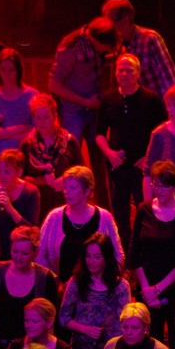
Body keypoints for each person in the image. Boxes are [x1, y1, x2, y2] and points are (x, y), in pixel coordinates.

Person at [95, 53, 168, 248]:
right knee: (119, 212)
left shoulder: (151, 99)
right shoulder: (108, 99)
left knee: (145, 209)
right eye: (121, 70)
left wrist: (148, 157)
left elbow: (163, 132)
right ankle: (123, 252)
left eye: (129, 70)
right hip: (117, 166)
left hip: (142, 167)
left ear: (138, 72)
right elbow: (99, 134)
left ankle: (144, 249)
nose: (124, 74)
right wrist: (109, 154)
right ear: (116, 73)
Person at [48, 17, 121, 208]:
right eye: (103, 48)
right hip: (74, 111)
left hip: (95, 109)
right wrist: (85, 101)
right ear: (94, 38)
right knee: (72, 160)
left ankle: (104, 209)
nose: (104, 51)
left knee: (100, 162)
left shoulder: (101, 42)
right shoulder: (70, 48)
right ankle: (72, 206)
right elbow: (53, 85)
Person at [130, 161, 175, 344]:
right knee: (147, 341)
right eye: (155, 185)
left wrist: (158, 289)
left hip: (174, 287)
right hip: (146, 285)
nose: (159, 191)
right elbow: (135, 252)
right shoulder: (144, 210)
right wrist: (147, 289)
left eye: (164, 186)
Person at [60, 234, 131, 349]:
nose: (91, 261)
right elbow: (63, 317)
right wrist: (85, 329)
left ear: (106, 257)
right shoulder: (77, 282)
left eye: (97, 257)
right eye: (88, 256)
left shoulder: (120, 287)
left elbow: (125, 322)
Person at [38, 166, 124, 281]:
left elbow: (119, 256)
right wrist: (54, 281)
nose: (66, 192)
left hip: (97, 287)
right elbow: (40, 255)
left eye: (72, 188)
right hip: (61, 286)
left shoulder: (105, 218)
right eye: (65, 188)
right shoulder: (54, 217)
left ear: (87, 191)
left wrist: (102, 282)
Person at [20, 93, 83, 220]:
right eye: (38, 118)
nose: (42, 122)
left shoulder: (70, 141)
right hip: (36, 208)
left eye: (46, 117)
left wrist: (66, 180)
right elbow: (19, 180)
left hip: (66, 206)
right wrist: (42, 180)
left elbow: (83, 173)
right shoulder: (27, 145)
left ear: (54, 116)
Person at [0, 48, 39, 183]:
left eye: (11, 70)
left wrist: (2, 135)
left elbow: (36, 131)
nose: (7, 74)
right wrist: (20, 128)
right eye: (3, 70)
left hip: (22, 161)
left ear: (19, 71)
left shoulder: (32, 95)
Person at [102, 0, 175, 96]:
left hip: (155, 103)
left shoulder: (150, 39)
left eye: (110, 22)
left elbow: (168, 77)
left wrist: (171, 102)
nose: (107, 27)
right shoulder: (116, 45)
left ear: (125, 21)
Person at [0, 149, 41, 260]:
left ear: (19, 173)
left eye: (7, 172)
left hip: (19, 252)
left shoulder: (30, 192)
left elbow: (32, 230)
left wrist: (10, 209)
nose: (1, 176)